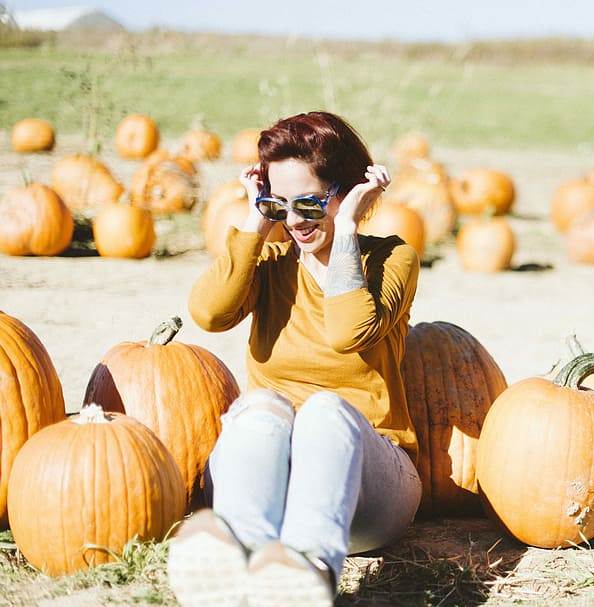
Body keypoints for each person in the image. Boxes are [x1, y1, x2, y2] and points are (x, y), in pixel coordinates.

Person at [166, 111, 422, 607]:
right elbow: (209, 314)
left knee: (324, 412)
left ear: (347, 193)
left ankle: (309, 572)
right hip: (269, 478)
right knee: (260, 410)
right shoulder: (268, 262)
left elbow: (348, 332)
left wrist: (345, 229)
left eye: (308, 203)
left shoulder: (392, 259)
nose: (296, 221)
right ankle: (240, 560)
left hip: (368, 485)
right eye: (279, 204)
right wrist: (254, 222)